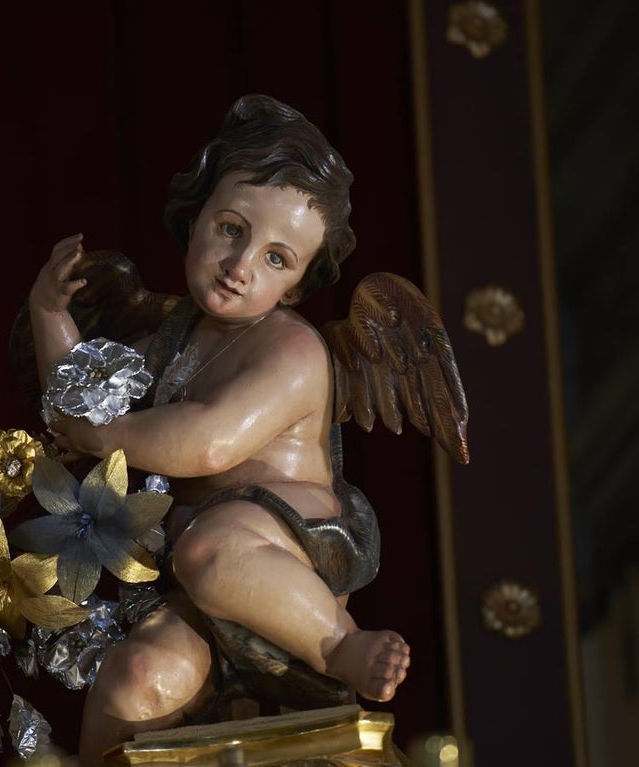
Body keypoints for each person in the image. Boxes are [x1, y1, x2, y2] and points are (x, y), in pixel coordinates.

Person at [27, 94, 411, 766]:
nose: (242, 265)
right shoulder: (173, 339)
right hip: (197, 587)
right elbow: (81, 404)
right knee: (135, 676)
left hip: (286, 558)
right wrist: (49, 314)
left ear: (296, 286)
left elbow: (206, 441)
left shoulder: (292, 352)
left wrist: (98, 437)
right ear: (197, 211)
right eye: (233, 229)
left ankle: (340, 643)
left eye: (276, 259)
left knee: (214, 548)